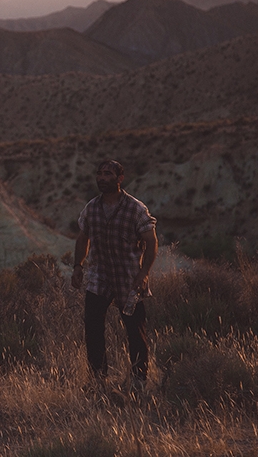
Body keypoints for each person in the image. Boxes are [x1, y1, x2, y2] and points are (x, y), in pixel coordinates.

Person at [71, 160, 158, 395]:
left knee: (134, 329)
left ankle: (139, 379)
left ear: (120, 178)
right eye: (99, 174)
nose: (101, 178)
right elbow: (83, 237)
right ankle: (98, 378)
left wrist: (144, 273)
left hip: (128, 276)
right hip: (99, 274)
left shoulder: (135, 208)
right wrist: (78, 266)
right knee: (93, 326)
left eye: (107, 174)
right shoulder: (92, 207)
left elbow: (151, 241)